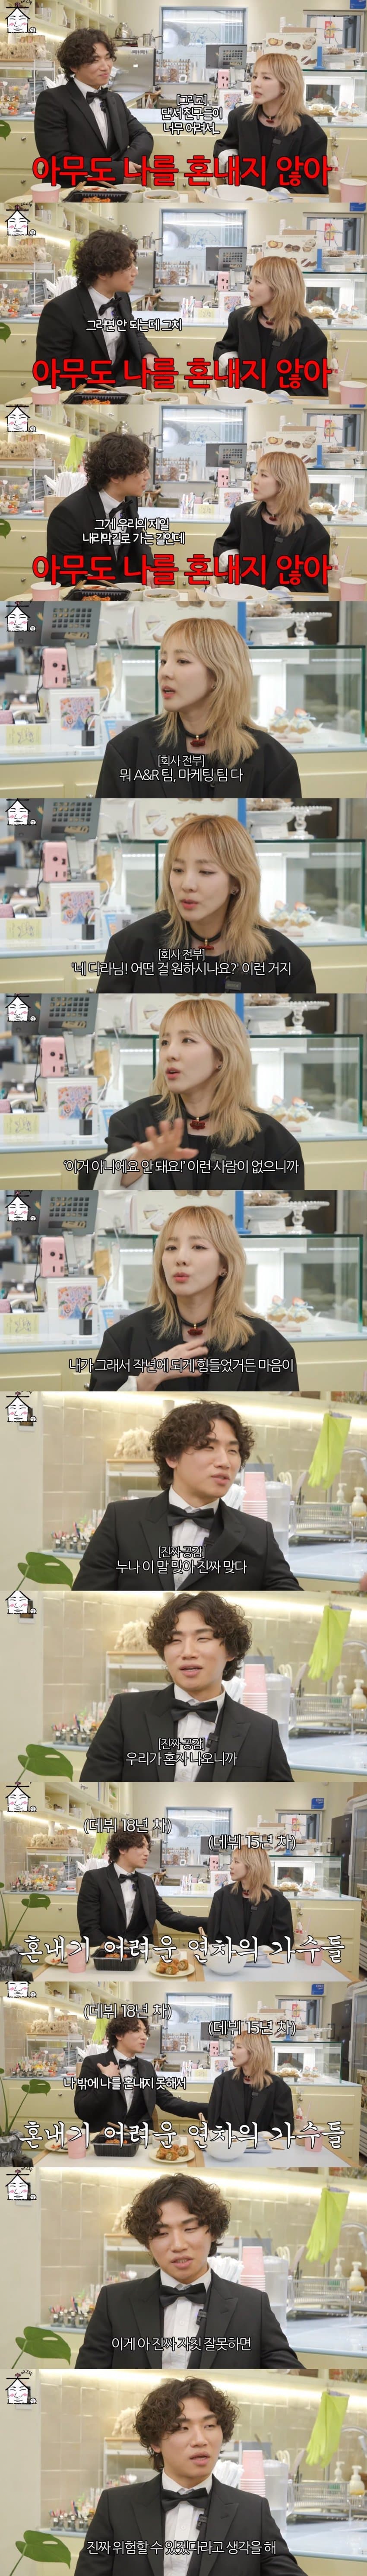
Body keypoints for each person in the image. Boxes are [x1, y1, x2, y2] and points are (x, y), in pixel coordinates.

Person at [74, 2377, 304, 2576]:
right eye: (182, 2428)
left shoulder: (253, 2513)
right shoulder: (116, 2507)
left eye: (210, 2426)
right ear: (155, 2442)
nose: (200, 2440)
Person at [75, 2171, 301, 2370]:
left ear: (213, 2232)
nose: (178, 2245)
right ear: (147, 2242)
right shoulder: (114, 2302)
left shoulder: (253, 2306)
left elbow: (286, 2368)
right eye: (162, 2233)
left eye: (190, 2228)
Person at [79, 997, 305, 1195]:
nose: (170, 1054)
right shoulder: (133, 1122)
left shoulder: (273, 1140)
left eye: (187, 1040)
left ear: (222, 1056)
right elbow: (97, 1187)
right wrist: (140, 1160)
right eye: (165, 1042)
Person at [72, 1397, 300, 1593]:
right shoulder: (121, 1520)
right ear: (173, 1457)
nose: (225, 1462)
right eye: (208, 1447)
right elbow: (86, 1597)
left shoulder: (258, 1534)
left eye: (233, 1451)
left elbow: (290, 1596)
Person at [79, 1589, 294, 1783]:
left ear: (231, 1651)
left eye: (203, 1638)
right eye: (175, 1641)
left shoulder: (263, 1732)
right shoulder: (126, 1713)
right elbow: (93, 1785)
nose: (188, 1652)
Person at [97, 810, 316, 997]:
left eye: (205, 872)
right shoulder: (130, 948)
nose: (187, 885)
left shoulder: (285, 960)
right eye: (178, 870)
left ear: (237, 882)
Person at [88, 1202, 299, 1392]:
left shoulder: (267, 1345)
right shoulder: (123, 1337)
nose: (180, 1258)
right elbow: (97, 1415)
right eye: (171, 1248)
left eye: (198, 1247)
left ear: (225, 1265)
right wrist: (147, 1381)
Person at [96, 616, 302, 799]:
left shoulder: (272, 760)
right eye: (164, 661)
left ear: (218, 675)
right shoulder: (127, 750)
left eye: (182, 661)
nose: (165, 672)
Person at [35, 230, 156, 396]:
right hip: (82, 399)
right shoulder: (60, 310)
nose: (135, 272)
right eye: (128, 266)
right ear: (103, 273)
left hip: (122, 392)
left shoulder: (121, 297)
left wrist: (148, 354)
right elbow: (51, 379)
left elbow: (132, 329)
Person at [34, 28, 153, 192]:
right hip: (71, 193)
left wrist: (124, 165)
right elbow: (58, 160)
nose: (106, 67)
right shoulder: (53, 100)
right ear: (74, 66)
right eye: (95, 60)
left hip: (115, 192)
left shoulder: (114, 99)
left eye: (108, 58)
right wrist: (115, 171)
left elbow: (144, 136)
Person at [73, 2007, 203, 2155]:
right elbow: (83, 2111)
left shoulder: (147, 2068)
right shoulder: (93, 2063)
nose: (144, 2037)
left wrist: (212, 2110)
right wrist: (106, 2079)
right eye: (137, 2031)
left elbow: (168, 2102)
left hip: (140, 2145)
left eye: (145, 2032)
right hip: (102, 2145)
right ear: (119, 2035)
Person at [76, 1824, 204, 1960]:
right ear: (122, 1849)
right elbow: (89, 1929)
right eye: (141, 1847)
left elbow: (168, 1917)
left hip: (142, 1957)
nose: (147, 1853)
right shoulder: (95, 1879)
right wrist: (113, 1953)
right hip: (105, 1957)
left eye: (147, 1848)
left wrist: (212, 1923)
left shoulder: (146, 1882)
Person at [45, 431, 154, 591]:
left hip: (129, 591)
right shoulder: (68, 514)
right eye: (141, 470)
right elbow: (64, 579)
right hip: (91, 597)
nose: (148, 476)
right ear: (116, 476)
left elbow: (138, 536)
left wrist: (149, 566)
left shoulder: (129, 498)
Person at [215, 451, 331, 594]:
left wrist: (276, 596)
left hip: (286, 605)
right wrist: (233, 561)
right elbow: (224, 545)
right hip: (243, 598)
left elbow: (312, 588)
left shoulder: (314, 532)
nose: (255, 481)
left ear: (285, 483)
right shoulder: (243, 515)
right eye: (257, 473)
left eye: (264, 475)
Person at [213, 257, 328, 400]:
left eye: (258, 282)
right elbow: (224, 348)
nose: (250, 287)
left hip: (286, 410)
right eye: (252, 280)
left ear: (280, 288)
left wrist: (274, 399)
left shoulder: (310, 334)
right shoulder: (241, 319)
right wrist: (232, 366)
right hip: (244, 405)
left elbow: (312, 391)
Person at [218, 50, 328, 195]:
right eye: (255, 76)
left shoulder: (310, 131)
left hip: (287, 206)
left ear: (285, 86)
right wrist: (230, 160)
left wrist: (277, 197)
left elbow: (312, 187)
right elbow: (225, 145)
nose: (256, 84)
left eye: (266, 78)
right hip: (245, 202)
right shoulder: (240, 117)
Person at [207, 2031, 294, 2141]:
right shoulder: (223, 2082)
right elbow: (214, 2125)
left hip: (266, 2150)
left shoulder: (280, 2089)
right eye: (234, 2046)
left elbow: (283, 2132)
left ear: (255, 2052)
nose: (233, 2051)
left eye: (239, 2047)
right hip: (229, 2149)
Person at [207, 1845, 294, 1954]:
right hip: (228, 1963)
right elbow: (214, 1939)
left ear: (253, 1866)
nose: (231, 1866)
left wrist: (259, 1954)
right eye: (232, 1861)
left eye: (236, 1862)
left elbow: (283, 1946)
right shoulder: (222, 1896)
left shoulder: (278, 1902)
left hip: (265, 1963)